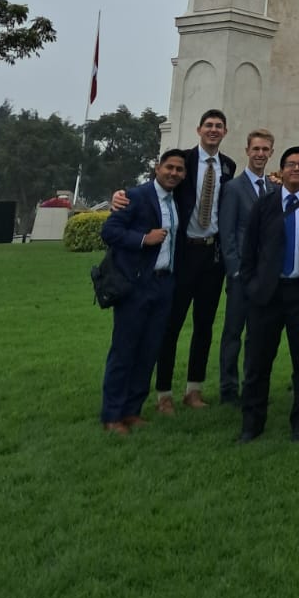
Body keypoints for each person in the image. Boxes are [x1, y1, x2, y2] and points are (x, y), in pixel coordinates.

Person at [237, 145, 299, 443]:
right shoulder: (264, 205)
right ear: (281, 170)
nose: (296, 169)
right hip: (266, 294)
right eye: (290, 164)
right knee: (257, 362)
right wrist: (253, 285)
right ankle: (251, 423)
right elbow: (249, 249)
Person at [98, 149, 188, 435]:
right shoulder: (135, 196)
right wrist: (143, 239)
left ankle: (132, 410)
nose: (173, 173)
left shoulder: (177, 200)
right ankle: (112, 415)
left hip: (164, 283)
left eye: (179, 170)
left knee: (149, 350)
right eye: (169, 168)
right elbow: (110, 231)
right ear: (157, 168)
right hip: (136, 284)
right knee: (125, 350)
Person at [154, 108, 237, 414]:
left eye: (219, 126)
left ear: (225, 132)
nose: (214, 130)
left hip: (211, 255)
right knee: (172, 325)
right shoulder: (183, 161)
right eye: (209, 126)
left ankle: (193, 390)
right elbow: (162, 188)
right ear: (199, 130)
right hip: (184, 252)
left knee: (204, 325)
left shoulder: (228, 166)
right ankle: (163, 393)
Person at [218, 127, 275, 405]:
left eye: (265, 150)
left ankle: (252, 384)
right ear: (247, 151)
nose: (260, 154)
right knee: (233, 333)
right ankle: (228, 388)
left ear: (271, 153)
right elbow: (227, 233)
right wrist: (236, 270)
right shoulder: (233, 189)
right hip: (242, 274)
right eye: (256, 149)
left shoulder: (274, 189)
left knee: (258, 335)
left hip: (266, 278)